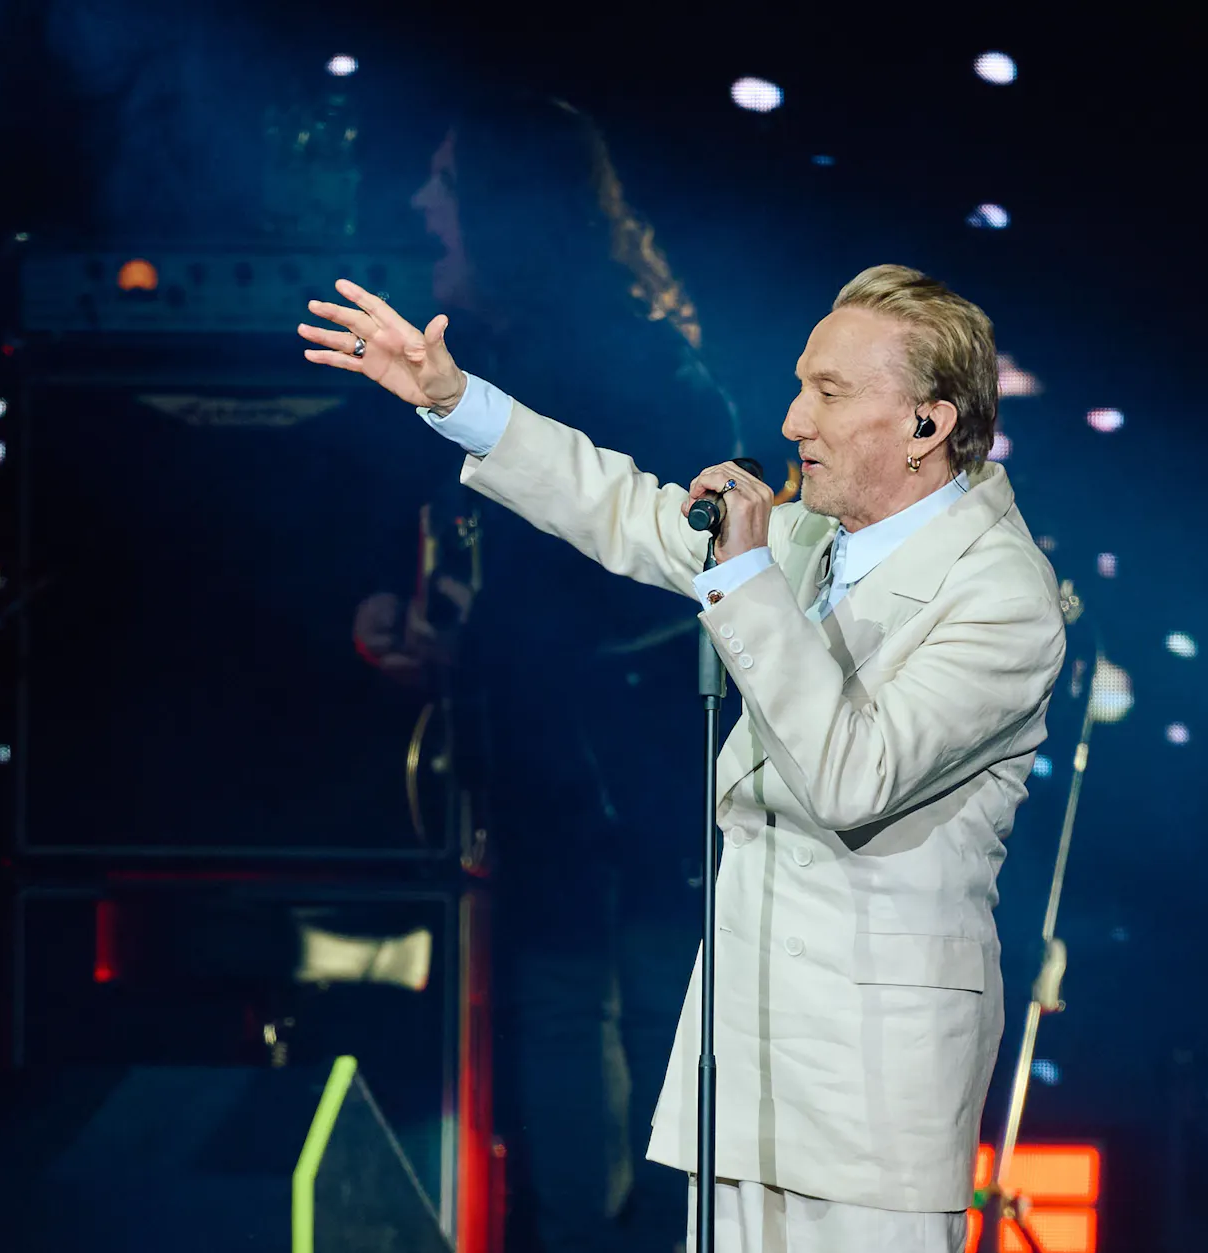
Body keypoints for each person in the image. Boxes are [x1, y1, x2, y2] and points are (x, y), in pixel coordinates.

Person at [300, 262, 1067, 1253]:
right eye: (799, 386)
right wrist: (456, 400)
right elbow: (619, 508)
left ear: (928, 423)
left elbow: (853, 775)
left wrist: (745, 575)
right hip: (744, 1066)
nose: (792, 421)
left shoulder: (1002, 595)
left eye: (829, 394)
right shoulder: (810, 539)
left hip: (873, 1093)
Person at [347, 93, 743, 1253]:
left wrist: (478, 638)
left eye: (445, 181)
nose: (421, 203)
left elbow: (669, 568)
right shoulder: (492, 354)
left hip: (627, 779)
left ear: (508, 207)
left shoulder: (638, 370)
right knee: (572, 1010)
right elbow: (428, 529)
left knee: (617, 1008)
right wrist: (395, 606)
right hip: (554, 763)